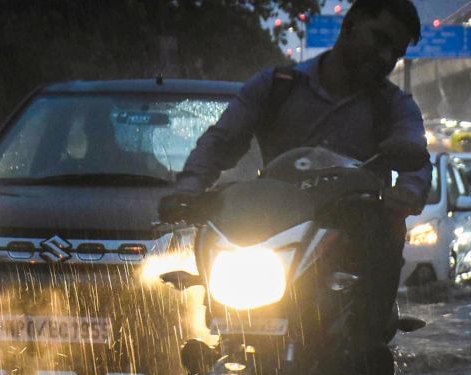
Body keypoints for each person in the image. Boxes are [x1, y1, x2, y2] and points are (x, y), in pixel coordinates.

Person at [159, 0, 431, 341]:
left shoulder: (393, 105)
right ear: (350, 26)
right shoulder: (276, 86)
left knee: (368, 340)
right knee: (216, 301)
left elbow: (415, 155)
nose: (384, 56)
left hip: (356, 241)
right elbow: (221, 141)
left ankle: (366, 365)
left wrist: (407, 192)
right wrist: (189, 189)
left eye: (395, 51)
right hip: (274, 236)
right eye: (379, 39)